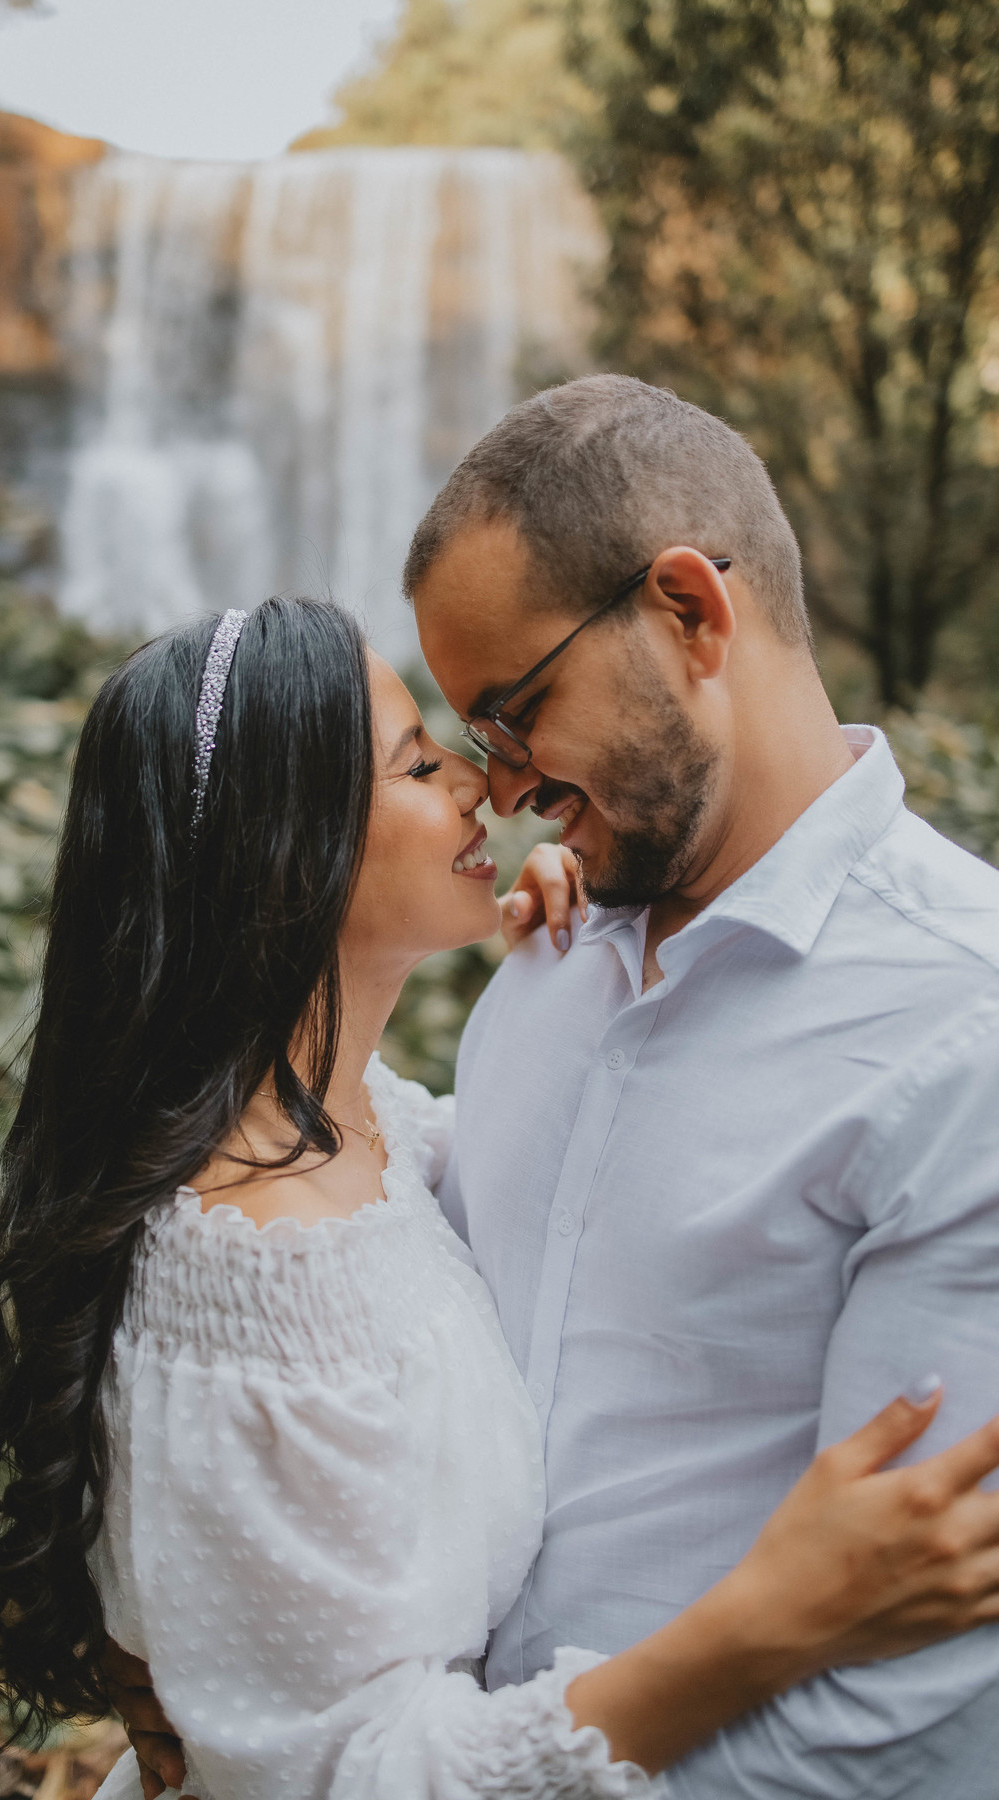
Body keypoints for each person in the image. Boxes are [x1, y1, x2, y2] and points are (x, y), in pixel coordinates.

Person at [0, 597, 999, 1800]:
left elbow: (518, 1176)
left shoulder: (361, 1131)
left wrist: (599, 927)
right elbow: (355, 1778)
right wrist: (764, 1623)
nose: (483, 789)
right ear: (288, 849)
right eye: (418, 763)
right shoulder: (263, 1280)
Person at [407, 374, 999, 1795]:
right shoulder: (544, 965)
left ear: (688, 611)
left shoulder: (964, 1028)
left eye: (515, 712)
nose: (503, 791)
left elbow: (903, 1697)